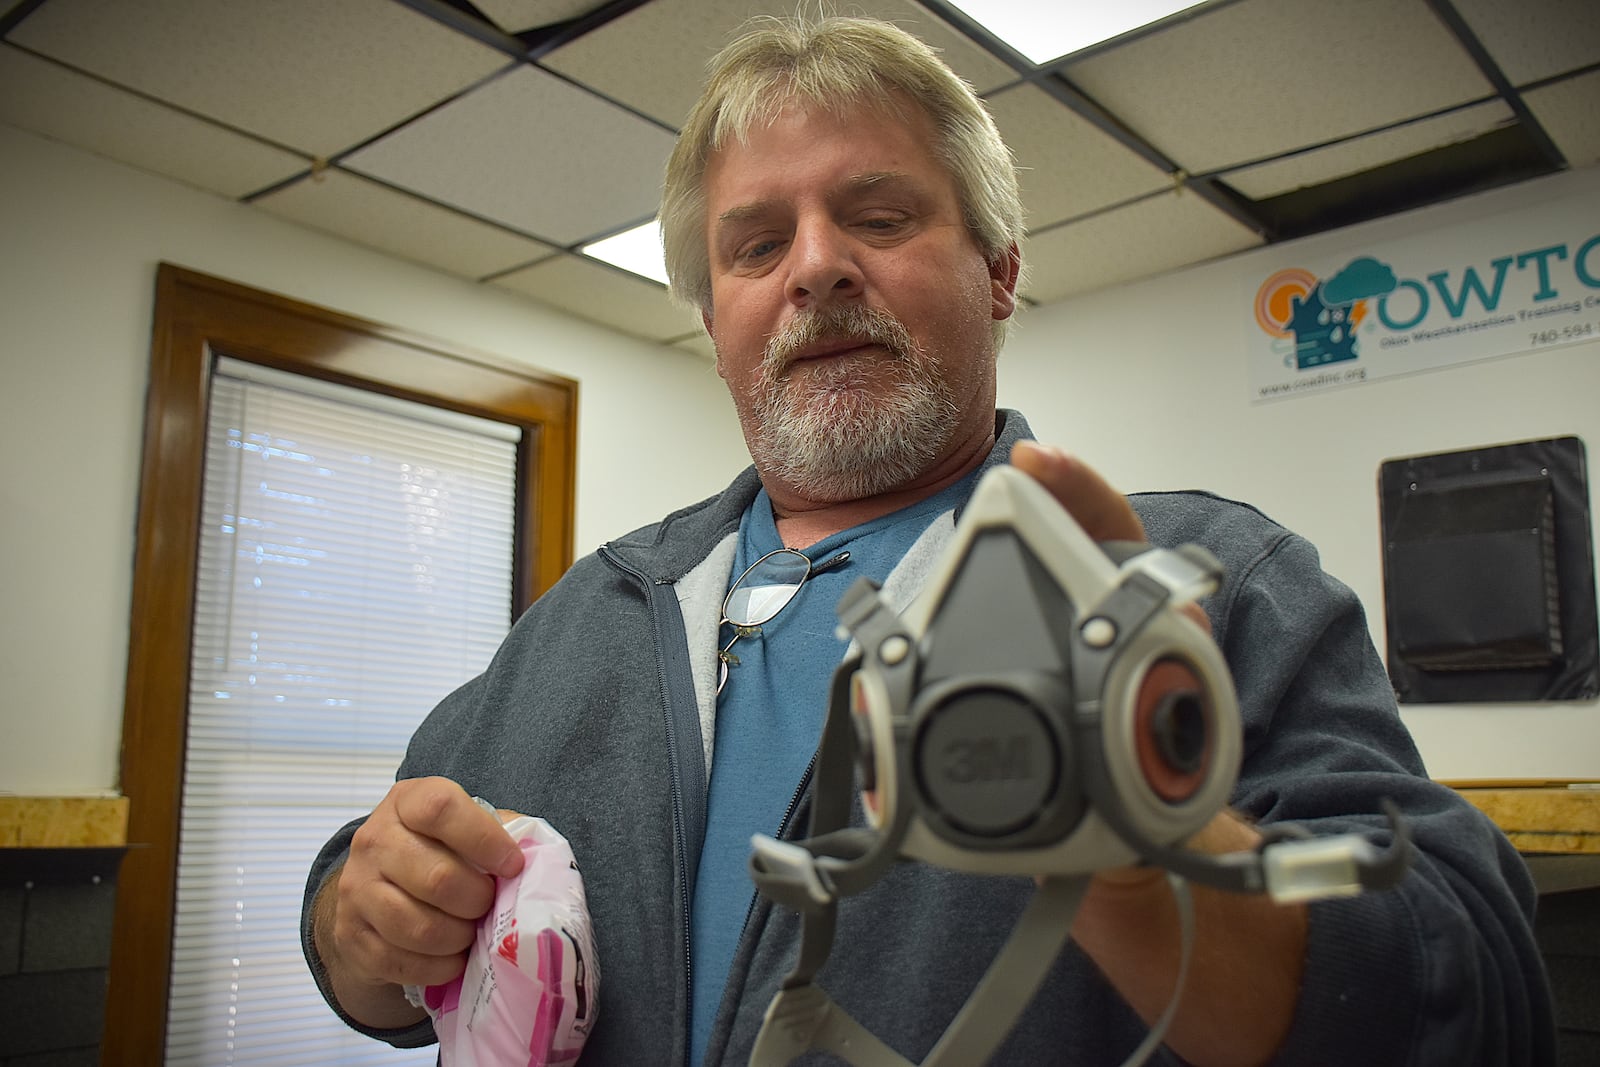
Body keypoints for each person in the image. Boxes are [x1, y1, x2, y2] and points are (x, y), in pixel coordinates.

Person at [302, 14, 1554, 1067]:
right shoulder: (594, 611)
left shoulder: (1206, 586)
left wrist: (1141, 844)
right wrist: (360, 938)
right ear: (714, 316)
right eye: (756, 244)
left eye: (881, 216)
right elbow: (366, 893)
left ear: (998, 271)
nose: (817, 268)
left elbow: (1476, 993)